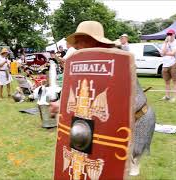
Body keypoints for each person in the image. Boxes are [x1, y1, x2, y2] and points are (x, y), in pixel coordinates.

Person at [50, 21, 155, 176]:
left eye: (80, 40)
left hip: (137, 122)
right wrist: (62, 105)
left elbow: (108, 99)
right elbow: (85, 94)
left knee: (119, 171)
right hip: (112, 125)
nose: (76, 45)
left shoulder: (115, 60)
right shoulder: (89, 61)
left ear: (93, 40)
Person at [160, 29, 176, 103]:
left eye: (171, 34)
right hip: (165, 64)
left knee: (175, 81)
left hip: (173, 64)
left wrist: (165, 53)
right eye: (168, 34)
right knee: (167, 81)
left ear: (174, 34)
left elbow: (173, 53)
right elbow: (161, 53)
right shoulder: (165, 43)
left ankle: (174, 97)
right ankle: (167, 96)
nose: (169, 36)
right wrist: (166, 42)